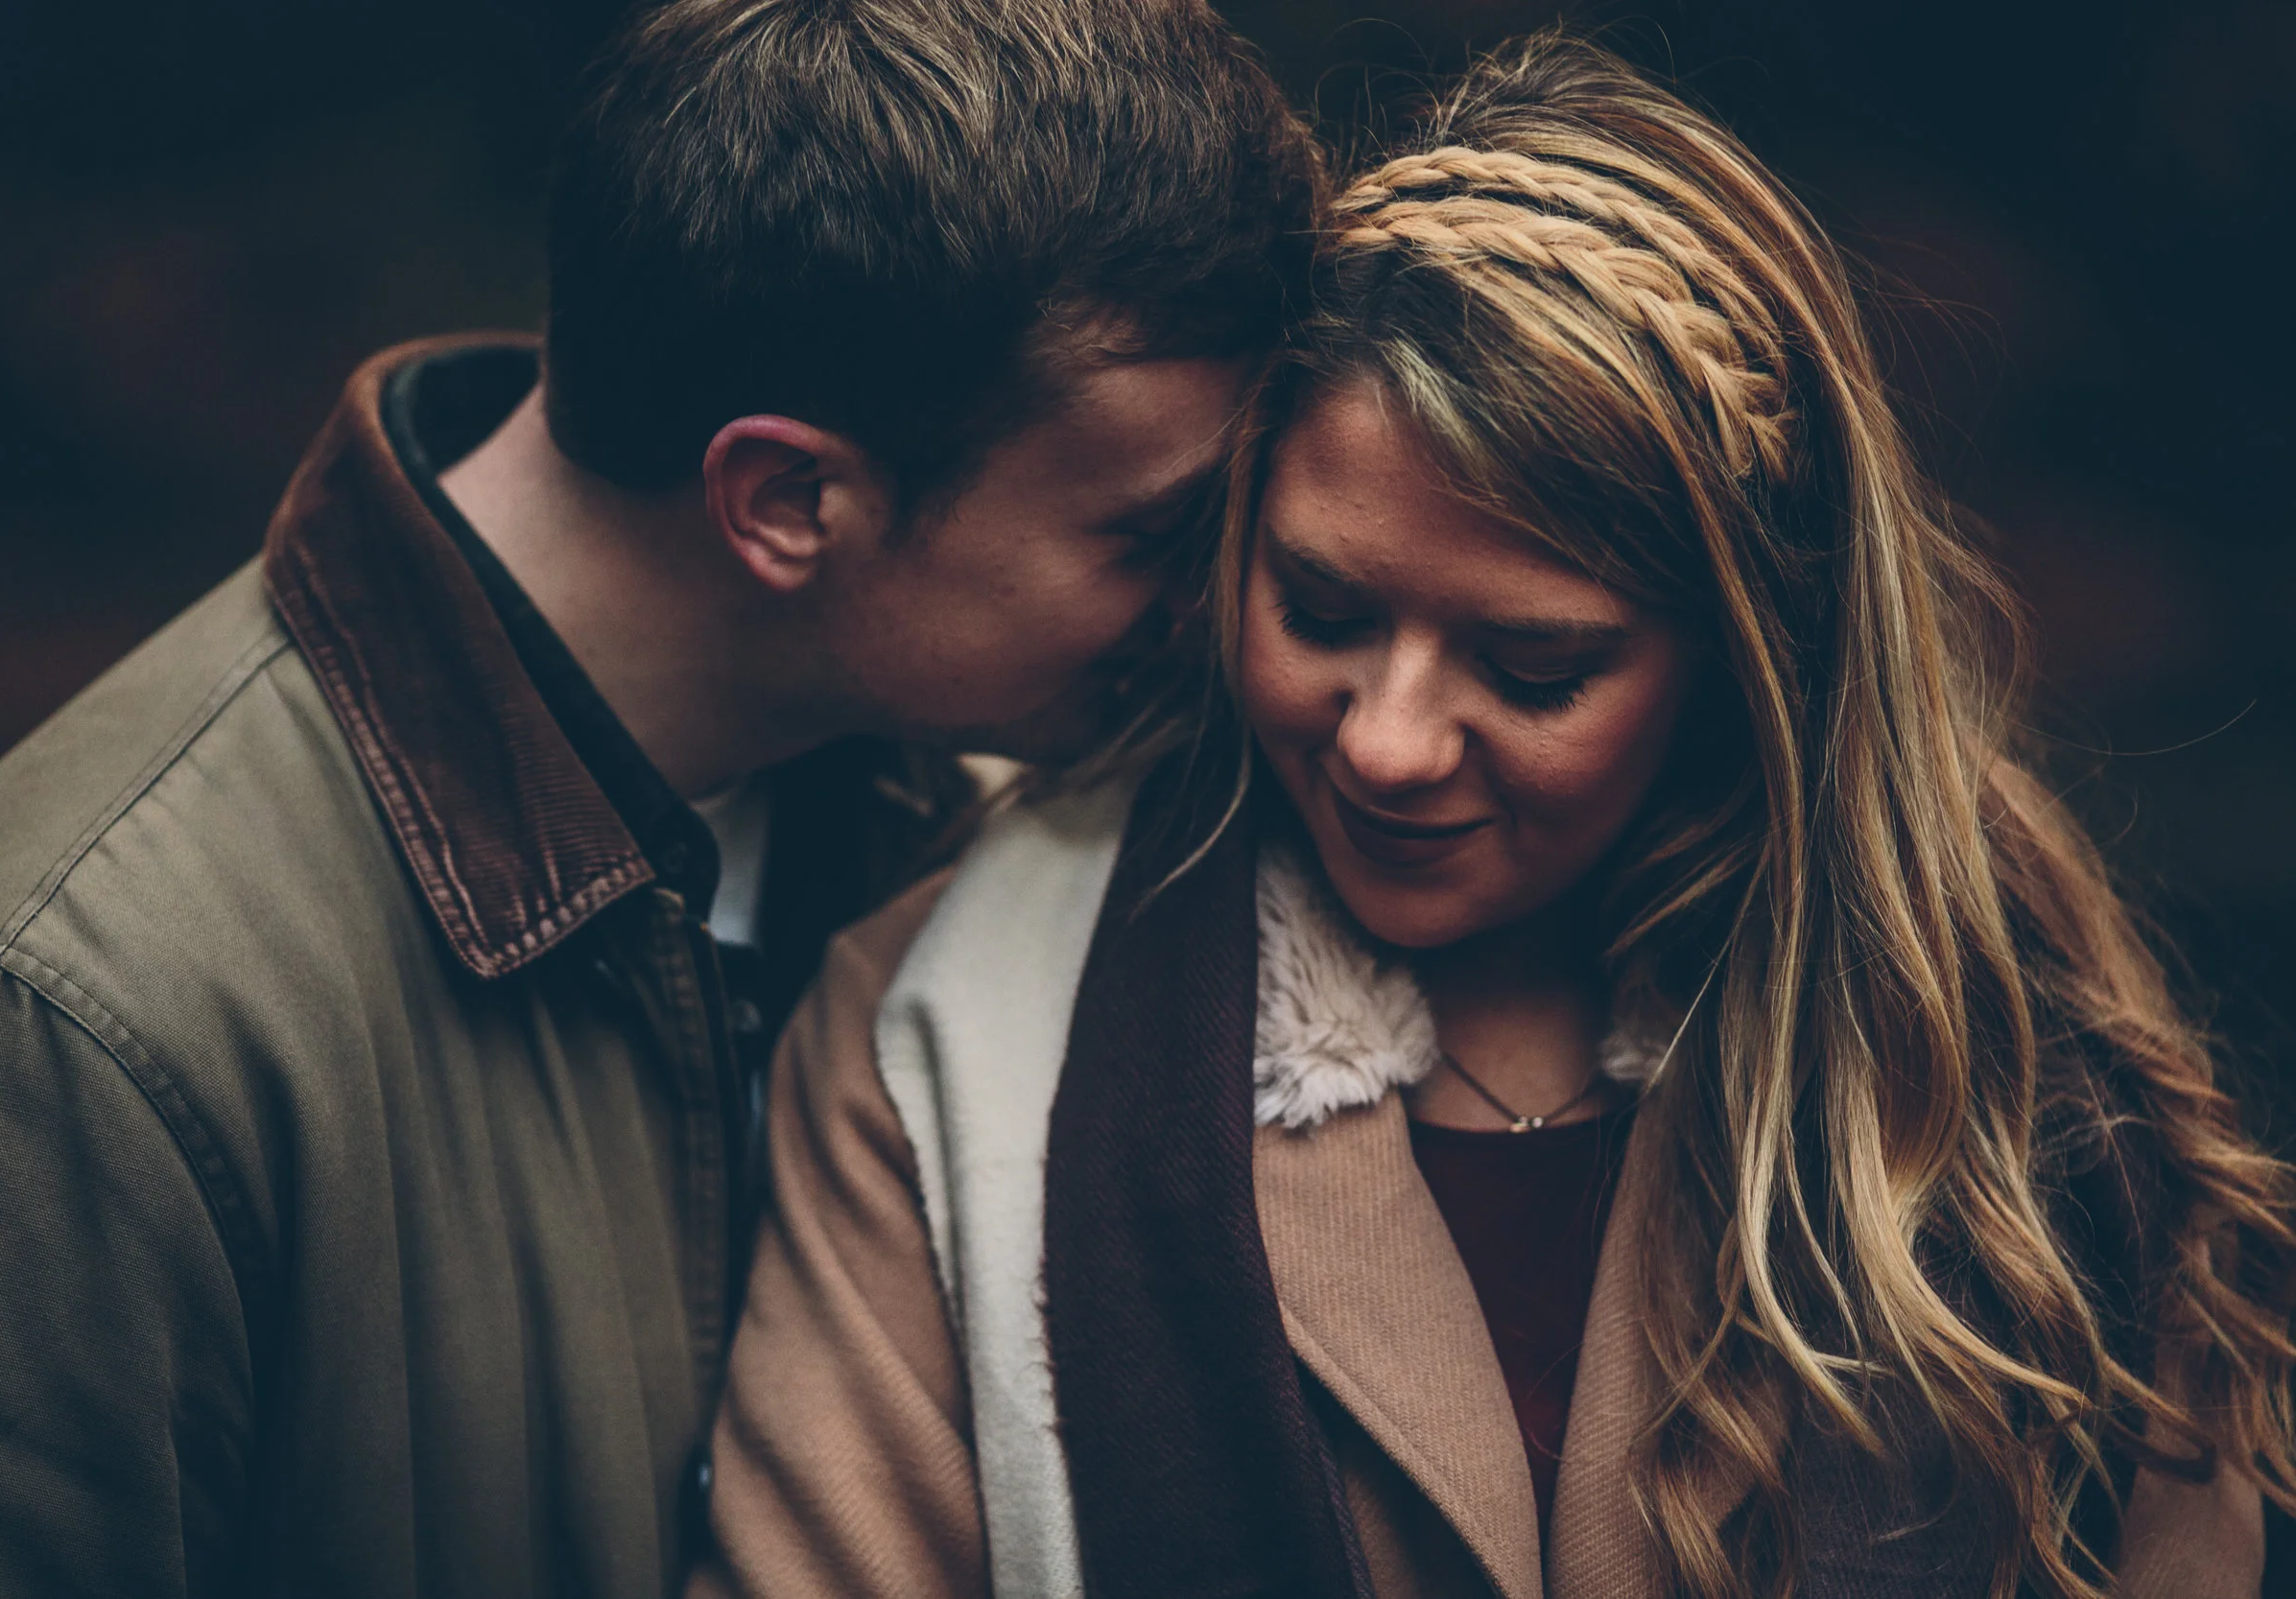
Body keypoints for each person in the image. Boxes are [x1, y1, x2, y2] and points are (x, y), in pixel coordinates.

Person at [702, 33, 2295, 1599]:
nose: (1389, 745)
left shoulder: (2017, 1060)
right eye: (1321, 608)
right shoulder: (955, 1020)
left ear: (1745, 666)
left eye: (1533, 665)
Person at [0, 2, 1317, 1594]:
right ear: (788, 501)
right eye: (1151, 536)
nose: (1223, 604)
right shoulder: (60, 1032)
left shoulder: (985, 808)